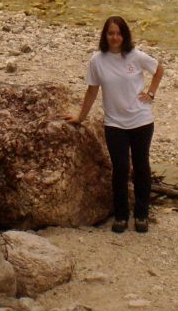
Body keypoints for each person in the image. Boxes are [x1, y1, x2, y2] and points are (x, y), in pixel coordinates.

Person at [65, 15, 164, 234]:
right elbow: (92, 90)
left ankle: (141, 215)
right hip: (114, 124)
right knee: (119, 169)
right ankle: (121, 216)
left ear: (124, 35)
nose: (115, 37)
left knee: (141, 167)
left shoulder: (135, 56)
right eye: (110, 33)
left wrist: (151, 93)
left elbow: (159, 69)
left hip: (141, 120)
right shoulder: (97, 61)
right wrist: (80, 117)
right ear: (105, 35)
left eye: (118, 33)